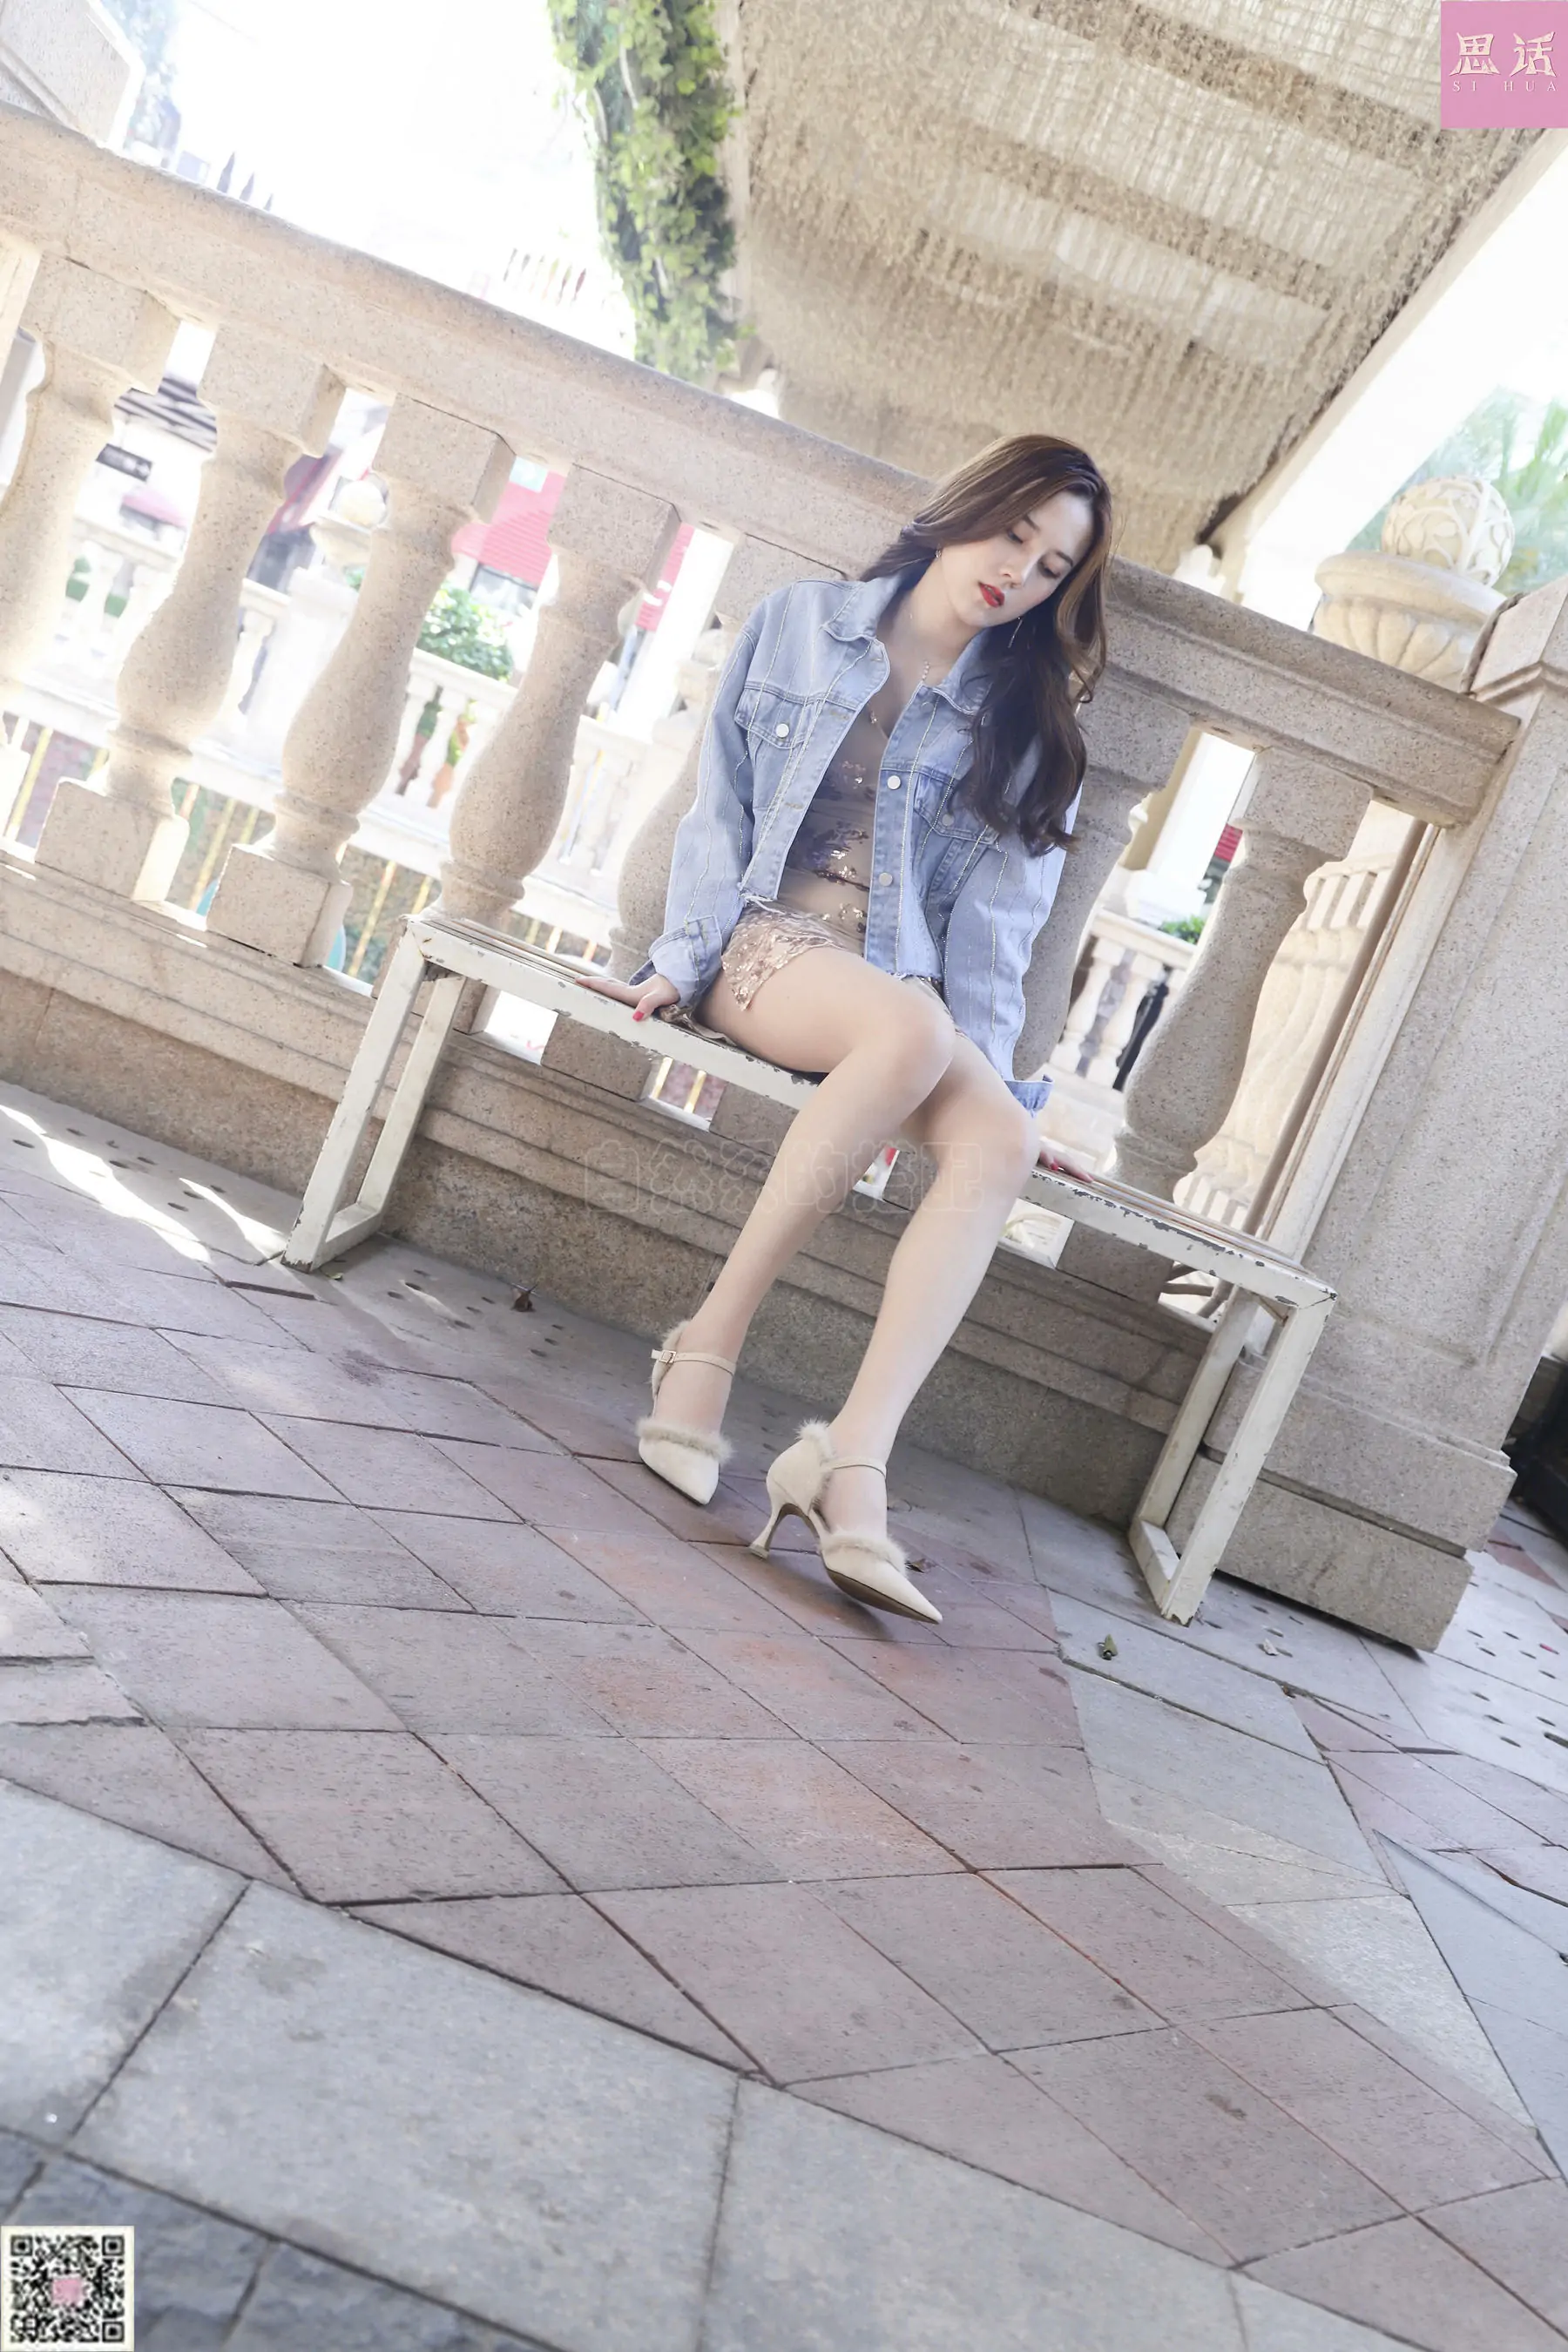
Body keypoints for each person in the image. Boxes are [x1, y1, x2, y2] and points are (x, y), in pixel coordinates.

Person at [574, 434, 1113, 1624]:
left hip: (896, 1000)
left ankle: (851, 1460)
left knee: (996, 1141)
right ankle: (706, 1345)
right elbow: (717, 810)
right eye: (1013, 534)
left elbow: (995, 940)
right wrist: (681, 958)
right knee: (911, 1032)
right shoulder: (799, 624)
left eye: (1050, 569)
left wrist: (1000, 1089)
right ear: (966, 510)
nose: (1017, 572)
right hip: (765, 951)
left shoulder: (1029, 727)